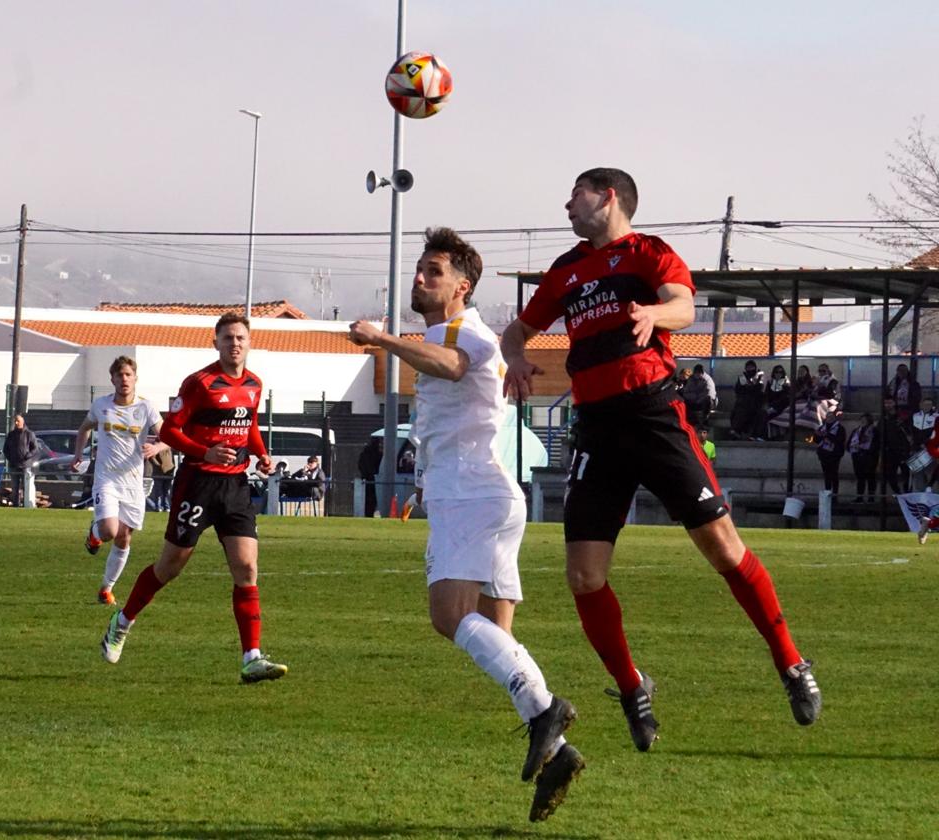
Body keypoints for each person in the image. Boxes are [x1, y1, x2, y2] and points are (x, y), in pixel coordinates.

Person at [500, 167, 821, 757]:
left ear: (609, 197)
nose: (567, 203)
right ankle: (631, 688)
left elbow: (682, 304)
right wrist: (517, 356)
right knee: (583, 576)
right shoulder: (566, 270)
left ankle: (791, 661)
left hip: (653, 416)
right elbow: (516, 331)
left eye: (577, 193)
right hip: (597, 429)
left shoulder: (647, 252)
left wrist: (653, 316)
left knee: (725, 550)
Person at [350, 227, 581, 823]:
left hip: (471, 496)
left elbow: (451, 366)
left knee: (449, 618)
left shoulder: (463, 332)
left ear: (462, 286)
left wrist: (383, 340)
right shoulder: (446, 330)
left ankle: (548, 711)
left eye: (433, 271)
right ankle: (554, 748)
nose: (421, 279)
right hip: (488, 496)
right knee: (495, 639)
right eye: (420, 269)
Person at [100, 313, 286, 684]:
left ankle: (251, 657)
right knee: (170, 567)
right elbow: (170, 429)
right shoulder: (200, 383)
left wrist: (262, 454)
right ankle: (121, 623)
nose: (235, 344)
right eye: (228, 338)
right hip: (198, 483)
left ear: (249, 343)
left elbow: (247, 423)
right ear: (215, 342)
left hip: (235, 487)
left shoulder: (254, 384)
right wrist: (205, 452)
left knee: (247, 568)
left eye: (241, 338)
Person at [77, 355, 169, 606]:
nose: (124, 379)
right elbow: (84, 428)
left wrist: (156, 447)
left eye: (128, 374)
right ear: (113, 379)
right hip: (106, 479)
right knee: (109, 529)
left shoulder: (146, 408)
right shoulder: (101, 405)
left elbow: (169, 436)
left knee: (124, 537)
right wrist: (78, 454)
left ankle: (106, 589)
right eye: (120, 375)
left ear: (135, 378)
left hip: (133, 483)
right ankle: (94, 534)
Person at [878, 397, 913, 495]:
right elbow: (879, 433)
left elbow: (909, 432)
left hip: (903, 450)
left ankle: (907, 494)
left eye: (890, 403)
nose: (888, 405)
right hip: (890, 452)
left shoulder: (902, 416)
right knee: (890, 474)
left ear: (894, 403)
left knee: (906, 474)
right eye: (886, 403)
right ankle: (898, 494)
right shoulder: (884, 418)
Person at [4, 414, 39, 508]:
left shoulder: (29, 434)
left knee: (26, 487)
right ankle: (16, 505)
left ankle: (26, 505)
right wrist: (10, 458)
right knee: (15, 487)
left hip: (25, 465)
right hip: (13, 465)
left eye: (18, 421)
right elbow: (5, 449)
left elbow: (35, 448)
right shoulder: (11, 435)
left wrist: (28, 455)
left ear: (22, 422)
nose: (16, 423)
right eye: (15, 421)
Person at [730, 360, 765, 440]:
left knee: (752, 411)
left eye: (751, 367)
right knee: (738, 410)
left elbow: (759, 389)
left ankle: (740, 431)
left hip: (756, 402)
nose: (750, 369)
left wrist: (749, 387)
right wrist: (747, 388)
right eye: (748, 367)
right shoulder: (742, 378)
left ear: (755, 368)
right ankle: (736, 431)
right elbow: (738, 390)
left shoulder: (760, 376)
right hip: (743, 403)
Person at [848, 414, 879, 502]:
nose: (862, 421)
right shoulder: (856, 430)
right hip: (857, 457)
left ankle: (871, 497)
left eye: (865, 420)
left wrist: (864, 448)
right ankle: (859, 497)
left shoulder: (874, 431)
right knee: (860, 478)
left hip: (869, 457)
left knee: (870, 477)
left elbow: (876, 444)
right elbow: (849, 442)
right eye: (861, 420)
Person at [815, 410, 845, 497]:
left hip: (834, 455)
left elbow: (839, 440)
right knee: (826, 475)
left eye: (831, 417)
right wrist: (817, 435)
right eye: (828, 417)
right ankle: (827, 492)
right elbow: (816, 440)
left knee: (834, 474)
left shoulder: (839, 428)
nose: (829, 419)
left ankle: (835, 495)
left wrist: (826, 435)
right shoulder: (822, 427)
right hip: (823, 454)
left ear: (835, 418)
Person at [680, 364, 714, 429]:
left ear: (702, 373)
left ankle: (704, 421)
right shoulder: (691, 379)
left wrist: (698, 399)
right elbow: (686, 392)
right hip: (694, 400)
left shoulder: (707, 380)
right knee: (683, 402)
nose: (697, 375)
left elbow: (709, 393)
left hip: (705, 401)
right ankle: (689, 422)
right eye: (696, 373)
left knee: (708, 400)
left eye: (699, 373)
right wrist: (694, 397)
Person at [763, 365, 791, 440]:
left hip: (781, 406)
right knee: (762, 413)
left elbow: (786, 397)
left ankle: (771, 437)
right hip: (771, 405)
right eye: (776, 372)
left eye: (780, 372)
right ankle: (761, 436)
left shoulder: (786, 382)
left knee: (771, 413)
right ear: (774, 373)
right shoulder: (770, 382)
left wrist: (774, 406)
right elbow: (766, 395)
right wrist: (767, 404)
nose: (778, 374)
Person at [357, 437, 383, 517]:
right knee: (372, 500)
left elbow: (360, 465)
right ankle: (370, 514)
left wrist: (364, 474)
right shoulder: (378, 454)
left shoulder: (364, 454)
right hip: (374, 480)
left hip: (365, 480)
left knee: (366, 500)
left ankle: (366, 514)